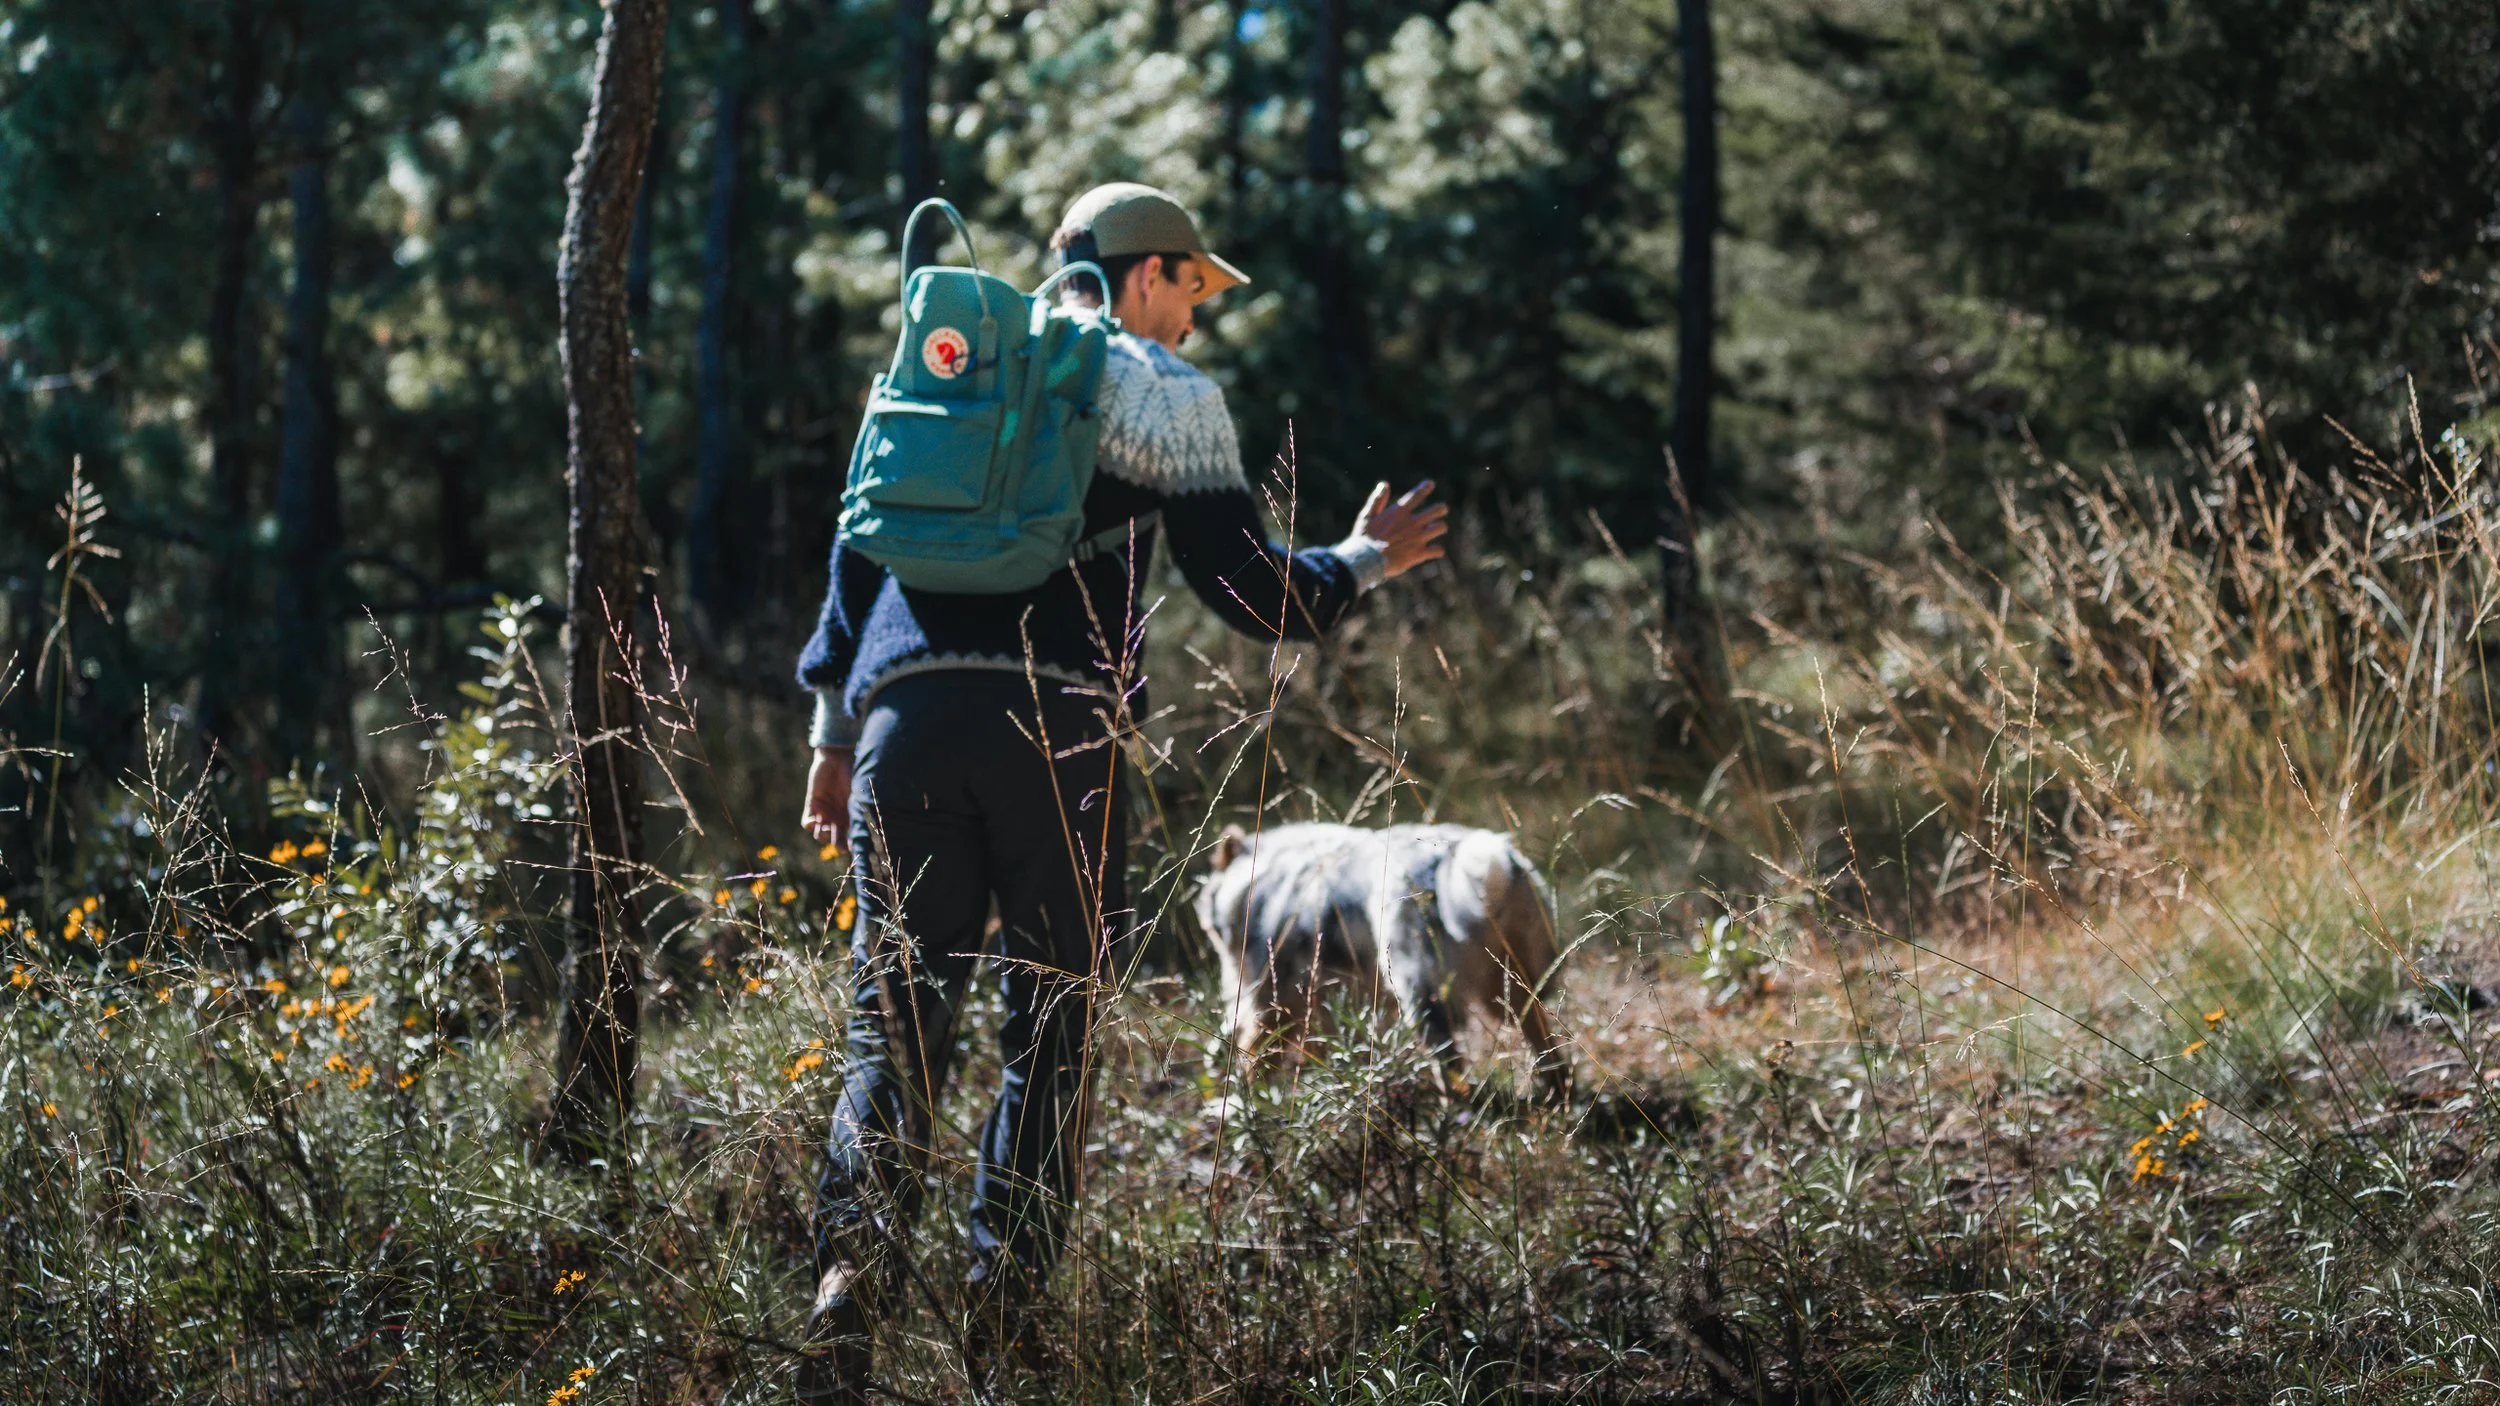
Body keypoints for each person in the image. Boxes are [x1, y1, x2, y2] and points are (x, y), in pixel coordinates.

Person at [793, 182, 1447, 1402]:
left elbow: (854, 551)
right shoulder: (1156, 390)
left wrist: (832, 737)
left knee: (898, 1016)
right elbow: (1258, 595)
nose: (1195, 321)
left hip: (898, 720)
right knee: (1049, 1024)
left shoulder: (939, 367)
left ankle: (846, 1278)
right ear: (1145, 274)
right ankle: (1007, 1323)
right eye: (1192, 289)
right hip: (1059, 730)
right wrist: (1364, 557)